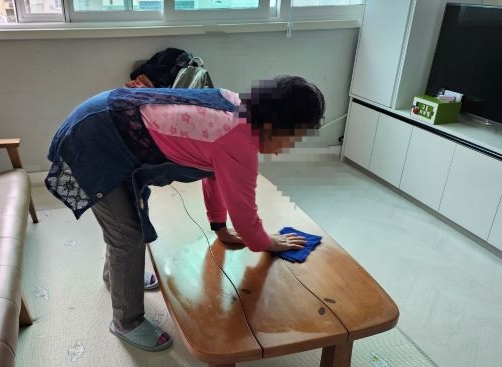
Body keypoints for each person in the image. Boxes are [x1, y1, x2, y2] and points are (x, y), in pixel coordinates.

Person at [45, 75, 326, 352]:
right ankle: (126, 322)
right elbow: (245, 216)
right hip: (93, 140)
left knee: (127, 223)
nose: (289, 147)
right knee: (127, 236)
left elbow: (214, 175)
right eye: (293, 138)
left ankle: (117, 278)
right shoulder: (239, 142)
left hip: (104, 115)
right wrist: (267, 242)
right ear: (271, 126)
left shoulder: (233, 105)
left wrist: (219, 228)